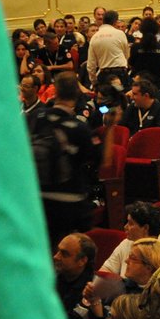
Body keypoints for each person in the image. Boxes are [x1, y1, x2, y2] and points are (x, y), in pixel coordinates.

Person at [31, 72, 99, 240]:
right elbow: (100, 162)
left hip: (37, 200)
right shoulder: (79, 128)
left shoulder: (34, 118)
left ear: (56, 92)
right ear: (76, 94)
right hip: (71, 203)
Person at [52, 232, 97, 319]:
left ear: (82, 261)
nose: (56, 257)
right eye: (58, 251)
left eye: (64, 254)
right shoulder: (52, 279)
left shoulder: (92, 290)